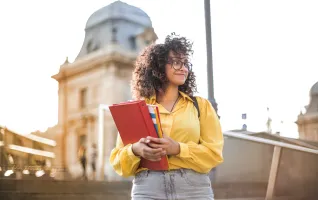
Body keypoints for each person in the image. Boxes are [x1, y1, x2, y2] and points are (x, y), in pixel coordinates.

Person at [109, 33, 224, 200]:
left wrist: (178, 148)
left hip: (194, 189)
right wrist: (135, 150)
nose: (184, 68)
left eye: (186, 63)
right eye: (177, 62)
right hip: (148, 189)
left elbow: (214, 154)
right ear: (158, 66)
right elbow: (119, 163)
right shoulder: (136, 110)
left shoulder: (201, 106)